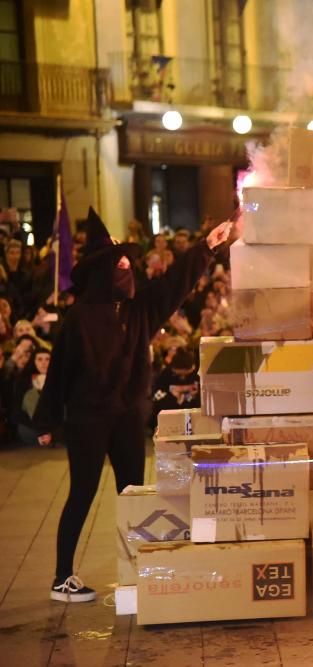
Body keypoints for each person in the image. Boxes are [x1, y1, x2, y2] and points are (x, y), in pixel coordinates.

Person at [35, 208, 231, 603]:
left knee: (133, 492)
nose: (128, 267)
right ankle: (61, 578)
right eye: (120, 262)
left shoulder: (139, 307)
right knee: (83, 491)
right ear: (103, 271)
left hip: (127, 415)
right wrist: (48, 420)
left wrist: (206, 248)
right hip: (88, 418)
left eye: (128, 261)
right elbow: (59, 370)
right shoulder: (79, 318)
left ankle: (140, 570)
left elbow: (174, 285)